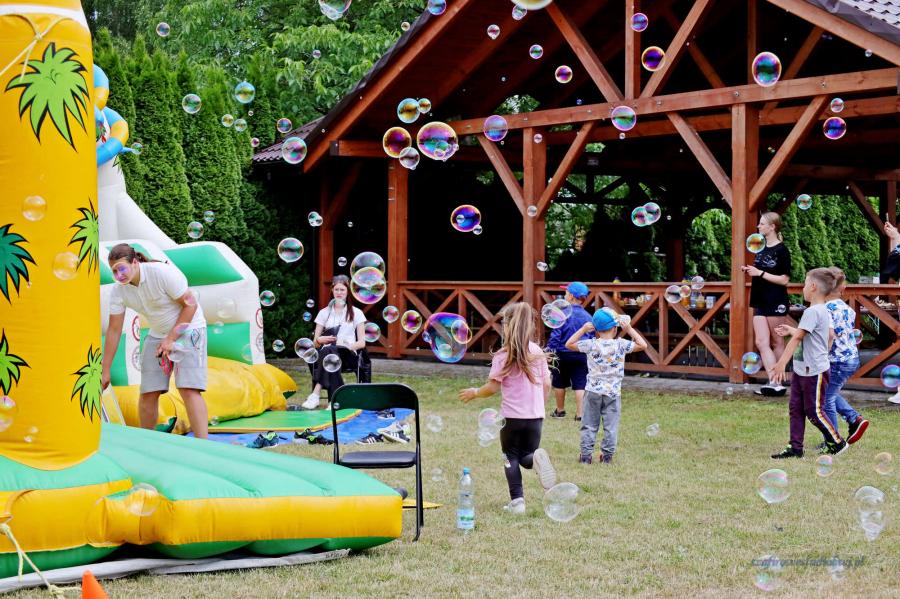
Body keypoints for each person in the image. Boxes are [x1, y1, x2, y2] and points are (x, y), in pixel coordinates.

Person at [100, 243, 209, 438]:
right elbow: (114, 330)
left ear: (135, 263)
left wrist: (170, 339)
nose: (118, 275)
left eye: (122, 268)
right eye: (114, 271)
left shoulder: (161, 273)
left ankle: (205, 445)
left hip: (190, 327)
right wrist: (105, 370)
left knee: (188, 389)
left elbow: (190, 306)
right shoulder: (119, 291)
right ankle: (147, 443)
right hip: (158, 333)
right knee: (148, 392)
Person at [458, 302, 557, 515]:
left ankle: (518, 502)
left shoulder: (503, 355)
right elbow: (547, 384)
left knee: (510, 457)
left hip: (511, 418)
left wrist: (475, 392)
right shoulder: (537, 351)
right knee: (527, 456)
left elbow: (493, 387)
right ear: (530, 325)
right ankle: (537, 460)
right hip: (535, 416)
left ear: (507, 326)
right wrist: (540, 405)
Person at [770, 268, 848, 458]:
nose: (803, 288)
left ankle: (837, 443)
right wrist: (792, 330)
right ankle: (795, 448)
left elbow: (798, 338)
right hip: (802, 369)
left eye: (805, 284)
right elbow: (809, 335)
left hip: (814, 371)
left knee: (814, 411)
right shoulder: (818, 310)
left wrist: (781, 363)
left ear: (813, 287)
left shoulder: (813, 311)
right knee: (796, 409)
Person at [566, 308, 647, 464]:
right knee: (611, 426)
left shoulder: (591, 344)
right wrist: (629, 329)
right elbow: (643, 345)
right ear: (615, 328)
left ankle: (586, 456)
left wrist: (583, 329)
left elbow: (569, 344)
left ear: (596, 330)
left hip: (592, 391)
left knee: (589, 424)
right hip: (613, 393)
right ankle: (607, 456)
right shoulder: (621, 344)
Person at [741, 212, 792, 396]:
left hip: (775, 299)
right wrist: (750, 270)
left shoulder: (782, 250)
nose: (758, 227)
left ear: (772, 227)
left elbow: (784, 279)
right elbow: (760, 271)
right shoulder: (760, 248)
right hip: (759, 298)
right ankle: (773, 382)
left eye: (762, 224)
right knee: (761, 342)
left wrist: (759, 273)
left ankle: (778, 382)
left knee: (777, 341)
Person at [302, 275, 366, 410]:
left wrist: (348, 345)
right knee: (329, 351)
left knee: (329, 352)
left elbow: (362, 343)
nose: (339, 293)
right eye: (336, 289)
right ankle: (334, 401)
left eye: (342, 290)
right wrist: (319, 340)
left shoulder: (356, 313)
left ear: (348, 292)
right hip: (327, 355)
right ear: (332, 290)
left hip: (348, 355)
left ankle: (315, 394)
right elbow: (315, 343)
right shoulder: (324, 313)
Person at [822, 267, 869, 446]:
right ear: (843, 288)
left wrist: (823, 356)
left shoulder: (826, 309)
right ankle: (854, 419)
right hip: (851, 359)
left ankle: (833, 440)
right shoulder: (847, 308)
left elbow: (830, 335)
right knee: (829, 393)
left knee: (826, 399)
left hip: (836, 360)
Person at [545, 282, 592, 421]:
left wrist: (550, 351)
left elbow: (555, 335)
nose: (564, 295)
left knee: (559, 383)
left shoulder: (561, 314)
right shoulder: (588, 316)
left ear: (571, 296)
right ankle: (580, 414)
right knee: (580, 384)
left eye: (565, 293)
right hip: (581, 354)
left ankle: (560, 411)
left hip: (561, 354)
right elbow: (590, 337)